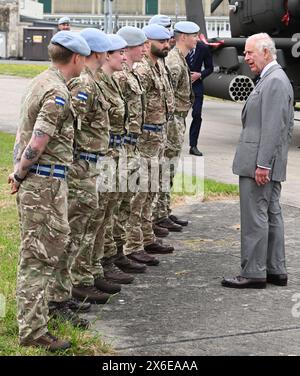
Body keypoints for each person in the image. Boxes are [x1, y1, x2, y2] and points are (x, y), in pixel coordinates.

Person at [8, 31, 90, 351]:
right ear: (76, 58)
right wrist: (20, 172)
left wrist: (19, 173)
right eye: (84, 58)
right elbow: (37, 141)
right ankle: (32, 331)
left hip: (42, 180)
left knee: (41, 254)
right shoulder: (57, 92)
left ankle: (37, 321)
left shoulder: (41, 80)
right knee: (37, 258)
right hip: (44, 183)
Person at [47, 28, 117, 313]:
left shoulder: (93, 81)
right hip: (81, 166)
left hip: (90, 163)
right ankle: (63, 291)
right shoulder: (84, 84)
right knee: (73, 233)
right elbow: (69, 125)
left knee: (83, 230)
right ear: (98, 53)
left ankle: (70, 287)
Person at [222, 33, 294, 289]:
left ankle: (253, 272)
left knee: (255, 216)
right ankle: (275, 269)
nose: (246, 57)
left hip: (260, 163)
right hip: (266, 161)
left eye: (251, 53)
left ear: (266, 52)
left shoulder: (273, 81)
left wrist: (263, 164)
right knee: (271, 214)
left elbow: (273, 128)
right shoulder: (272, 79)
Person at [111, 26, 159, 267]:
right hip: (124, 146)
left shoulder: (129, 73)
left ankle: (125, 249)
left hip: (133, 145)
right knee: (125, 200)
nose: (144, 49)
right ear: (129, 48)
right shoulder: (120, 76)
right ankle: (124, 249)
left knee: (132, 196)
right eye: (141, 46)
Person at [154, 21, 199, 232]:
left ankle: (163, 211)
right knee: (165, 167)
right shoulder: (173, 61)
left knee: (169, 168)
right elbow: (166, 95)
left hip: (178, 120)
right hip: (172, 121)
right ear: (183, 37)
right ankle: (158, 215)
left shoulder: (179, 58)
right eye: (194, 36)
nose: (197, 39)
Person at [186, 34, 213, 156]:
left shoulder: (203, 48)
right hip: (181, 87)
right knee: (177, 116)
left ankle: (193, 145)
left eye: (196, 35)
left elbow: (210, 68)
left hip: (197, 86)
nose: (195, 38)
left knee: (197, 115)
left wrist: (200, 75)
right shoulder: (181, 47)